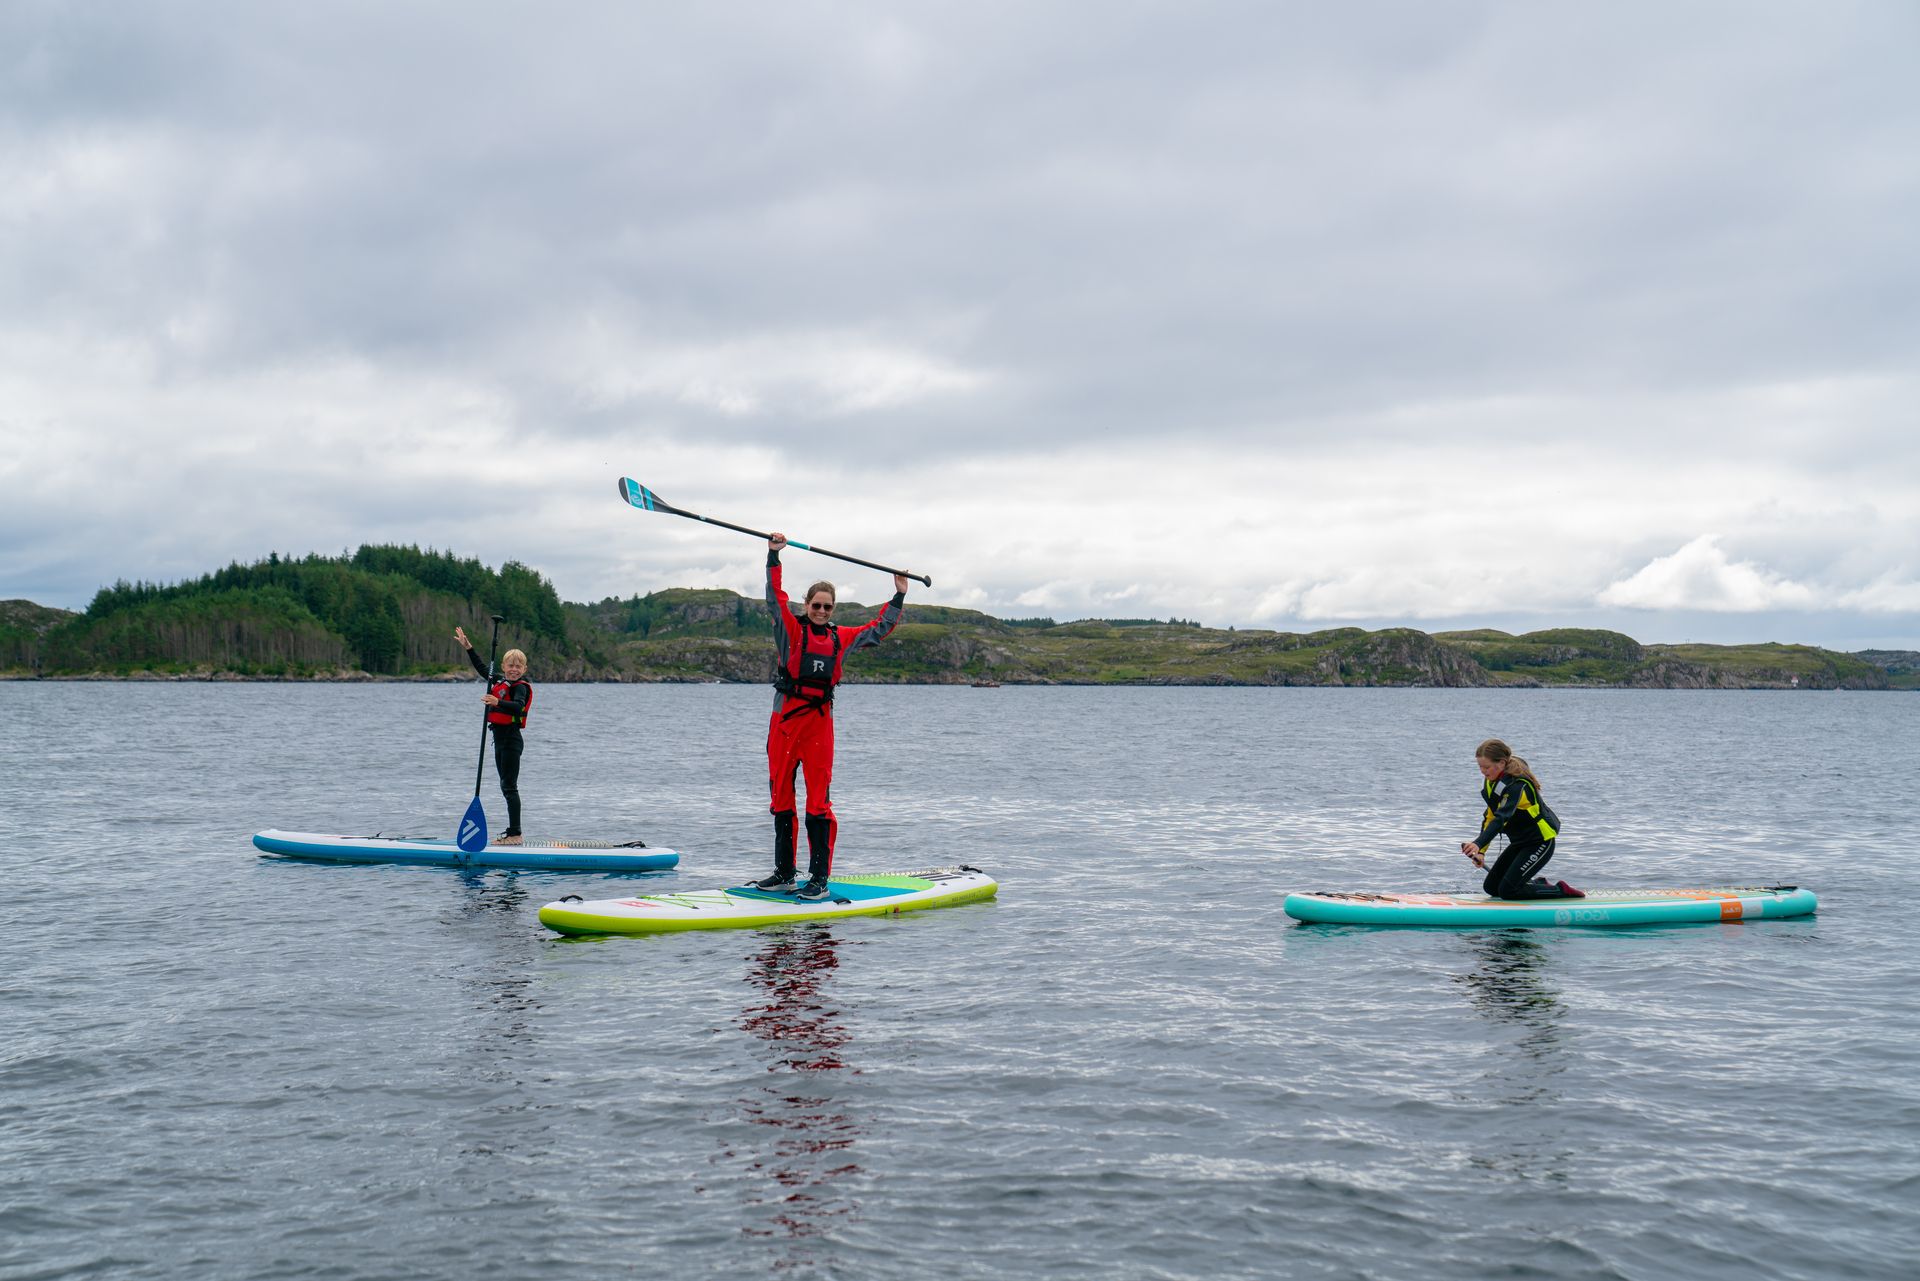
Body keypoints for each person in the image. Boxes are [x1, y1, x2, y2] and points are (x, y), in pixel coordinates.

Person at [755, 534, 907, 900]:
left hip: (819, 728)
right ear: (806, 604)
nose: (821, 611)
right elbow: (775, 598)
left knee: (818, 802)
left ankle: (819, 879)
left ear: (833, 609)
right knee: (781, 798)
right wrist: (774, 556)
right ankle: (785, 874)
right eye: (816, 605)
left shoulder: (843, 638)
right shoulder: (790, 630)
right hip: (785, 724)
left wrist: (899, 595)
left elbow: (878, 629)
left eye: (827, 607)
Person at [1462, 738, 1582, 899]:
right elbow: (1490, 817)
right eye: (1480, 767)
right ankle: (1538, 884)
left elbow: (1501, 818)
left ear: (1502, 763)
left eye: (1487, 767)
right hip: (1519, 843)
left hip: (1539, 842)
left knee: (1508, 891)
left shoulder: (1517, 785)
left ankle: (1561, 889)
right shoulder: (1492, 782)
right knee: (1491, 887)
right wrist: (1481, 851)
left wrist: (1477, 843)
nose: (1483, 771)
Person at [455, 626, 533, 846]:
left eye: (518, 666)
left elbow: (518, 706)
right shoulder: (499, 681)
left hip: (511, 741)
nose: (514, 670)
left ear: (524, 669)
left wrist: (497, 701)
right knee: (505, 786)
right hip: (499, 740)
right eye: (511, 665)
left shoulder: (520, 688)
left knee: (509, 786)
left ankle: (515, 834)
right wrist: (469, 648)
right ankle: (513, 833)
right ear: (503, 667)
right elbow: (482, 669)